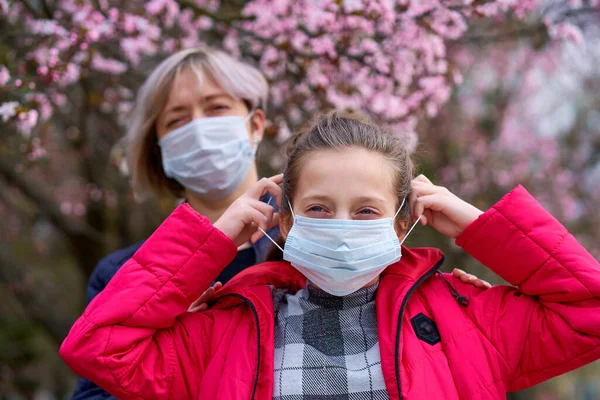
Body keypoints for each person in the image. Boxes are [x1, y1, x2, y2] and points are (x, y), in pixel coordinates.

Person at [60, 113, 561, 398]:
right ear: (285, 219)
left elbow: (589, 313)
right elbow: (98, 346)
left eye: (366, 210)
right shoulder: (223, 331)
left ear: (402, 223)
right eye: (318, 208)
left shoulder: (466, 319)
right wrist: (210, 240)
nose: (341, 225)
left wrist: (483, 228)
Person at [71, 47, 277, 400]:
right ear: (161, 150)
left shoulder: (313, 240)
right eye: (177, 120)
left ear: (255, 124)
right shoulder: (119, 272)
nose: (199, 128)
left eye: (216, 107)